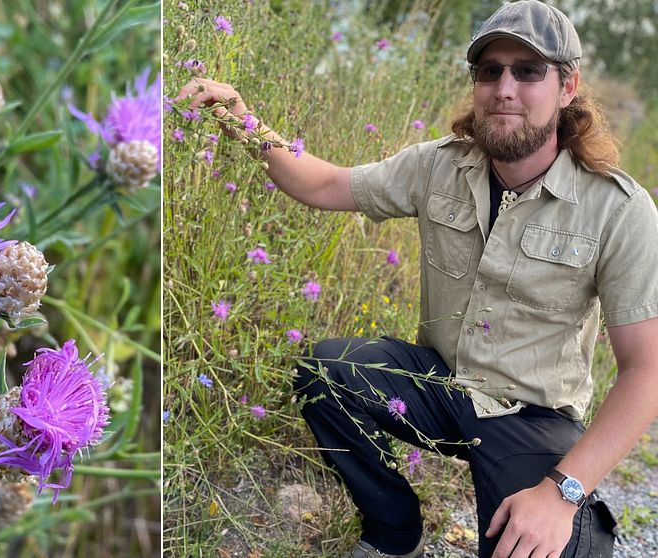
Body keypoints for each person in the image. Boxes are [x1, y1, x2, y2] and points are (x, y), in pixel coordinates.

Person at [174, 1, 658, 557]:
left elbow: (646, 373)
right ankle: (393, 531)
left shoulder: (618, 209)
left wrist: (560, 493)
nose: (505, 87)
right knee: (325, 372)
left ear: (567, 86)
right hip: (440, 384)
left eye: (528, 71)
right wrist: (243, 119)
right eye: (489, 69)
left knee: (552, 545)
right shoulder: (438, 166)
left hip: (531, 419)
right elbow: (325, 184)